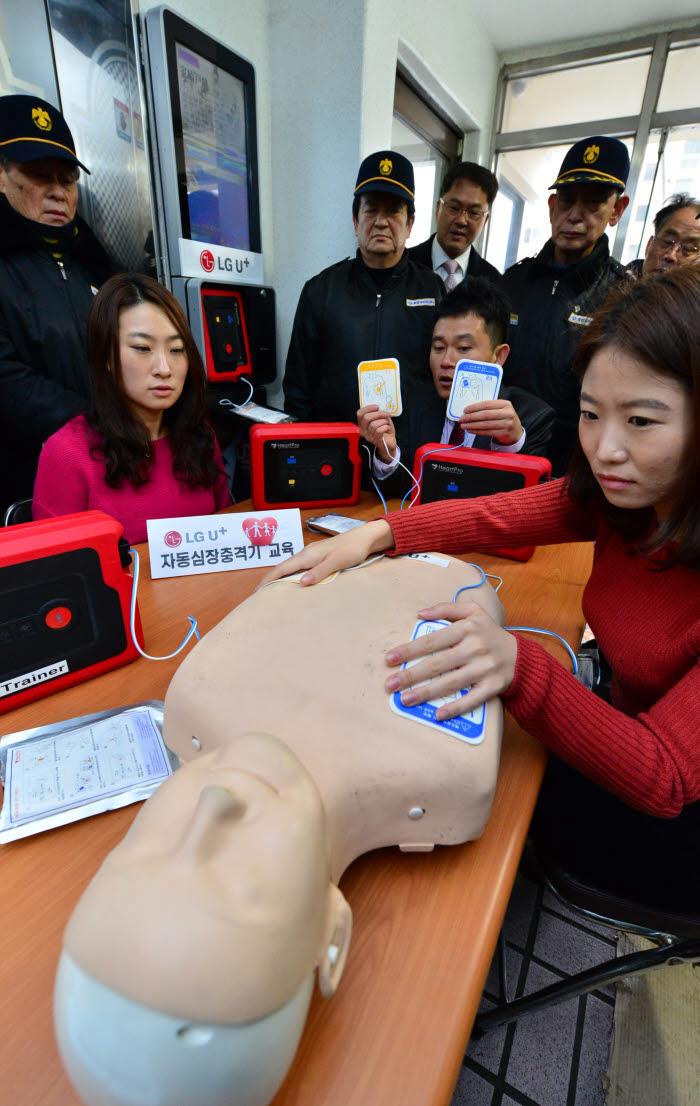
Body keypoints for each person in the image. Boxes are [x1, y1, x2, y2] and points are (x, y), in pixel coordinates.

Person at [262, 267, 700, 913]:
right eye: (589, 414)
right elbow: (496, 515)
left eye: (640, 420)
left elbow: (664, 778)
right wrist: (377, 534)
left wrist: (522, 665)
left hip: (667, 827)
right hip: (619, 711)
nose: (605, 449)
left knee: (459, 816)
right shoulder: (629, 500)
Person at [32, 273, 230, 542]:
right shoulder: (67, 453)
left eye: (176, 349)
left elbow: (226, 534)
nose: (164, 368)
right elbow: (57, 574)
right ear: (106, 358)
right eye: (142, 348)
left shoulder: (199, 435)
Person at [0, 94, 116, 514]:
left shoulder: (96, 262)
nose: (57, 192)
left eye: (66, 179)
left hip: (107, 468)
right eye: (38, 175)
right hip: (24, 478)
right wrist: (96, 423)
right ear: (1, 175)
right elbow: (6, 377)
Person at [502, 135, 631, 476]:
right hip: (503, 454)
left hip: (574, 471)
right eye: (567, 200)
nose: (575, 215)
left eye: (593, 203)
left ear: (616, 211)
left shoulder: (623, 298)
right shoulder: (513, 282)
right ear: (551, 207)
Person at [283, 150, 443, 424]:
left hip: (407, 451)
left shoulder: (432, 289)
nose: (381, 221)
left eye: (393, 211)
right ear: (356, 220)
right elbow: (298, 389)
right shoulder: (320, 290)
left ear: (410, 224)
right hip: (336, 451)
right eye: (371, 210)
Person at [358, 278, 554, 494]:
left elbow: (524, 505)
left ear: (498, 356)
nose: (446, 361)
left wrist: (511, 443)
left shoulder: (532, 417)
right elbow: (399, 492)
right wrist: (387, 454)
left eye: (463, 348)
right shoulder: (413, 404)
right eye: (439, 347)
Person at [408, 161, 501, 287]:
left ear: (485, 221)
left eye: (473, 212)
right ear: (438, 208)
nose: (461, 220)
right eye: (454, 208)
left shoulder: (494, 283)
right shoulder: (404, 264)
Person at [626, 192, 700, 278]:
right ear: (649, 245)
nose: (671, 256)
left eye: (689, 248)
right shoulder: (611, 285)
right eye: (667, 241)